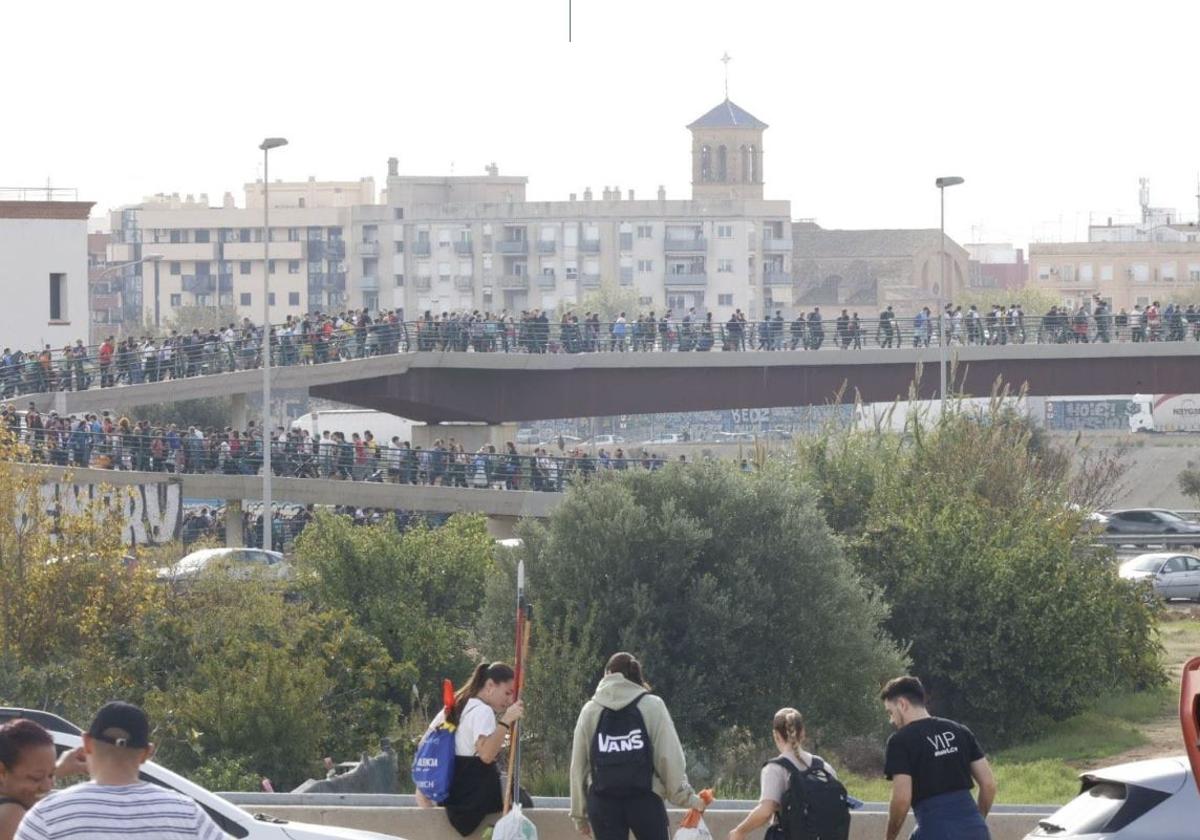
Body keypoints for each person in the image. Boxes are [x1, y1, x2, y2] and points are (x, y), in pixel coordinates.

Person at [14, 702, 226, 840]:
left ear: (87, 743)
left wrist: (57, 771)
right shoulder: (187, 813)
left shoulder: (47, 816)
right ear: (146, 753)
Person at [569, 652, 706, 840]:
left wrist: (579, 816)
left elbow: (578, 767)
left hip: (603, 802)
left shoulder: (590, 710)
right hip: (645, 798)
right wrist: (687, 798)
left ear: (607, 674)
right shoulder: (652, 706)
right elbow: (669, 758)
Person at [415, 662, 526, 836]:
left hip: (450, 801)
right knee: (524, 804)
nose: (510, 700)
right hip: (471, 805)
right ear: (490, 685)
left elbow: (424, 746)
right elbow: (487, 755)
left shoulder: (455, 706)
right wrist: (507, 720)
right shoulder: (483, 711)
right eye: (507, 692)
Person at [881, 676, 996, 840]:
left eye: (890, 712)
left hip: (934, 830)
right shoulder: (960, 731)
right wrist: (976, 819)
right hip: (975, 829)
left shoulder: (900, 741)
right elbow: (989, 784)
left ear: (902, 704)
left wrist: (890, 837)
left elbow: (901, 799)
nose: (891, 720)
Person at [727, 708, 843, 840]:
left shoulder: (775, 768)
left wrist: (739, 831)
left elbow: (766, 811)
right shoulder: (824, 767)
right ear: (803, 733)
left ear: (776, 735)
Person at [0, 720, 86, 840]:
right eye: (36, 778)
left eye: (51, 775)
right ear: (2, 772)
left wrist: (59, 769)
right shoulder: (11, 815)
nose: (47, 786)